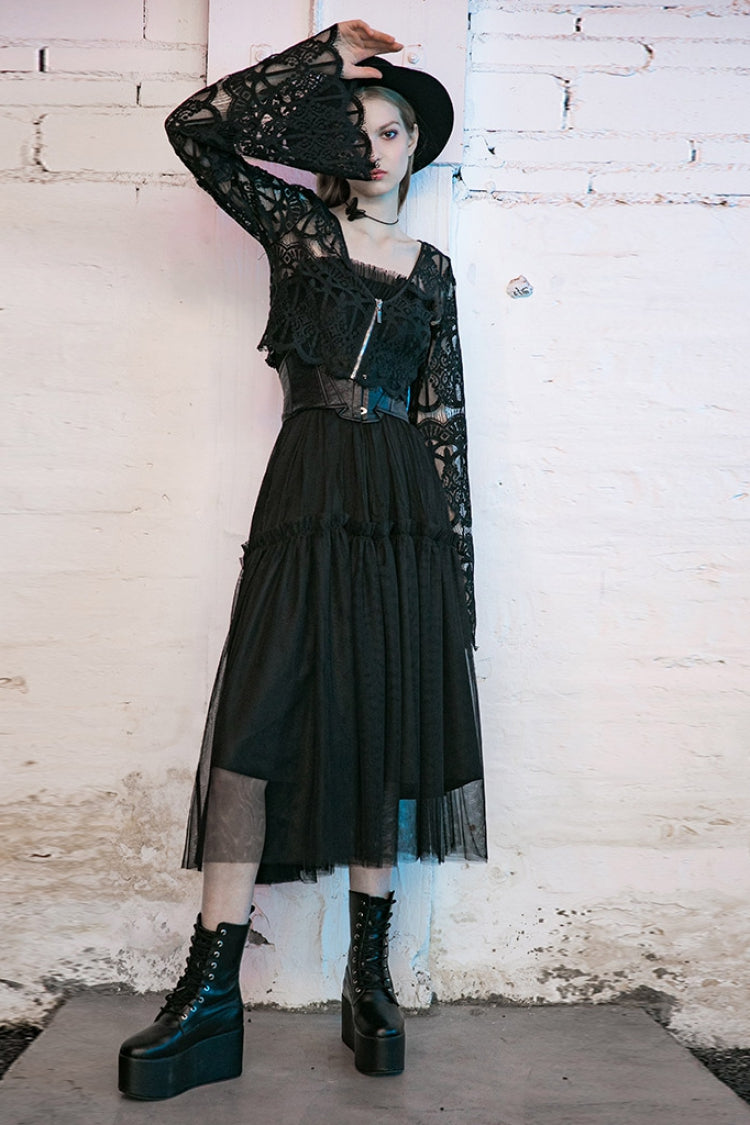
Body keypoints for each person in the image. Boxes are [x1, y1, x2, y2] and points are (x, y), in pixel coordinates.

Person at [118, 19, 486, 1100]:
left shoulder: (435, 273)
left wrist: (455, 592)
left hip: (403, 512)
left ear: (418, 147)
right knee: (254, 724)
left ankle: (369, 979)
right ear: (331, 143)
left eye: (394, 129)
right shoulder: (296, 232)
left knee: (384, 718)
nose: (376, 147)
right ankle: (210, 992)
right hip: (309, 489)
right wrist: (323, 58)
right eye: (357, 130)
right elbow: (196, 128)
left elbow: (446, 425)